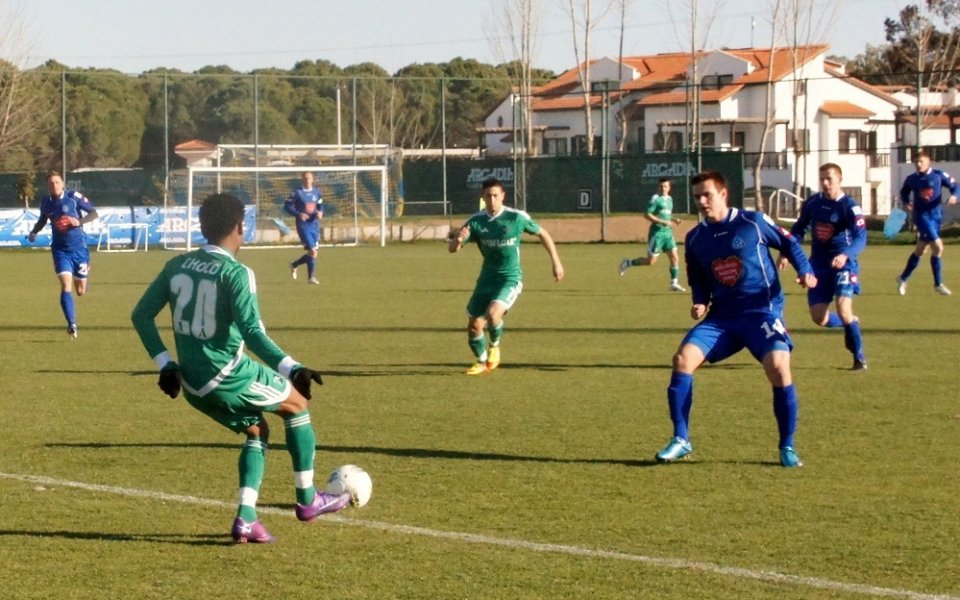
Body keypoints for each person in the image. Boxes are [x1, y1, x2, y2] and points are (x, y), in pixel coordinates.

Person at [131, 193, 351, 544]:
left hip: (191, 383)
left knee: (256, 432)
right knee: (297, 405)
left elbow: (140, 315)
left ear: (202, 227)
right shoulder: (236, 273)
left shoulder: (177, 265)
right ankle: (308, 500)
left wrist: (165, 364)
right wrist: (293, 369)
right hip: (229, 374)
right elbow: (253, 334)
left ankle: (246, 518)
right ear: (239, 228)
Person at [655, 171, 817, 468]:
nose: (701, 202)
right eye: (696, 197)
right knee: (682, 360)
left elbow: (790, 243)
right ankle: (681, 439)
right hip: (723, 319)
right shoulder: (695, 238)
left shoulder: (752, 222)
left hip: (762, 313)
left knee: (780, 367)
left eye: (707, 195)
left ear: (723, 194)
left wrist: (805, 270)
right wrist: (699, 301)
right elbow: (698, 278)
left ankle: (787, 446)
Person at [448, 177, 564, 375]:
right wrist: (458, 239)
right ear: (483, 198)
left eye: (495, 195)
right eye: (488, 196)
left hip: (510, 278)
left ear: (503, 196)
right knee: (474, 326)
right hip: (486, 279)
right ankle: (482, 361)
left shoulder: (516, 217)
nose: (492, 200)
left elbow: (542, 233)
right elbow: (453, 249)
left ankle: (495, 346)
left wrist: (556, 261)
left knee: (493, 315)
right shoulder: (476, 221)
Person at [779, 164, 868, 369]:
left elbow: (861, 237)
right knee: (819, 318)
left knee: (843, 307)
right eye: (822, 179)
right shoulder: (813, 203)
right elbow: (799, 229)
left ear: (840, 179)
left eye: (829, 179)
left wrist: (846, 255)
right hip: (818, 266)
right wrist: (785, 252)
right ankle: (851, 322)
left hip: (844, 265)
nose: (825, 183)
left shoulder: (849, 206)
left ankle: (859, 357)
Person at [27, 171, 99, 339]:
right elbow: (43, 219)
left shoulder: (73, 197)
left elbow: (94, 213)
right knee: (66, 285)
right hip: (60, 250)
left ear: (62, 184)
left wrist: (78, 222)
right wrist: (34, 232)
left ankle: (83, 276)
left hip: (79, 249)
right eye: (51, 183)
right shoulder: (46, 202)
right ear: (48, 186)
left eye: (57, 182)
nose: (54, 185)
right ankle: (71, 324)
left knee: (80, 291)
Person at [895, 150, 958, 296]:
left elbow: (955, 186)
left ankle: (903, 278)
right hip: (921, 217)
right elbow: (904, 192)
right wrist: (906, 202)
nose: (918, 164)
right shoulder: (912, 179)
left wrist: (955, 195)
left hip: (936, 217)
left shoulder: (938, 175)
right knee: (938, 246)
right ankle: (938, 284)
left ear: (929, 161)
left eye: (921, 161)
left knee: (921, 250)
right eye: (916, 162)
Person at [619, 177, 686, 291]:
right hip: (657, 234)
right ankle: (628, 262)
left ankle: (674, 283)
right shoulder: (655, 199)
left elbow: (666, 215)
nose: (663, 188)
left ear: (669, 188)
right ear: (658, 187)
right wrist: (663, 222)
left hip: (668, 233)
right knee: (650, 261)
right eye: (661, 186)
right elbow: (647, 214)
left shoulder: (669, 199)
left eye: (665, 186)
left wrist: (674, 220)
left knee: (675, 257)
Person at [284, 171, 324, 285]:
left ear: (313, 179)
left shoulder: (317, 193)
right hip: (303, 225)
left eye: (309, 178)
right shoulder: (297, 193)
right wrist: (298, 214)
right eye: (305, 178)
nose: (307, 180)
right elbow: (287, 206)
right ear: (302, 179)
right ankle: (311, 278)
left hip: (314, 225)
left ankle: (294, 264)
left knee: (313, 253)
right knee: (312, 251)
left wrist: (320, 212)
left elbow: (321, 204)